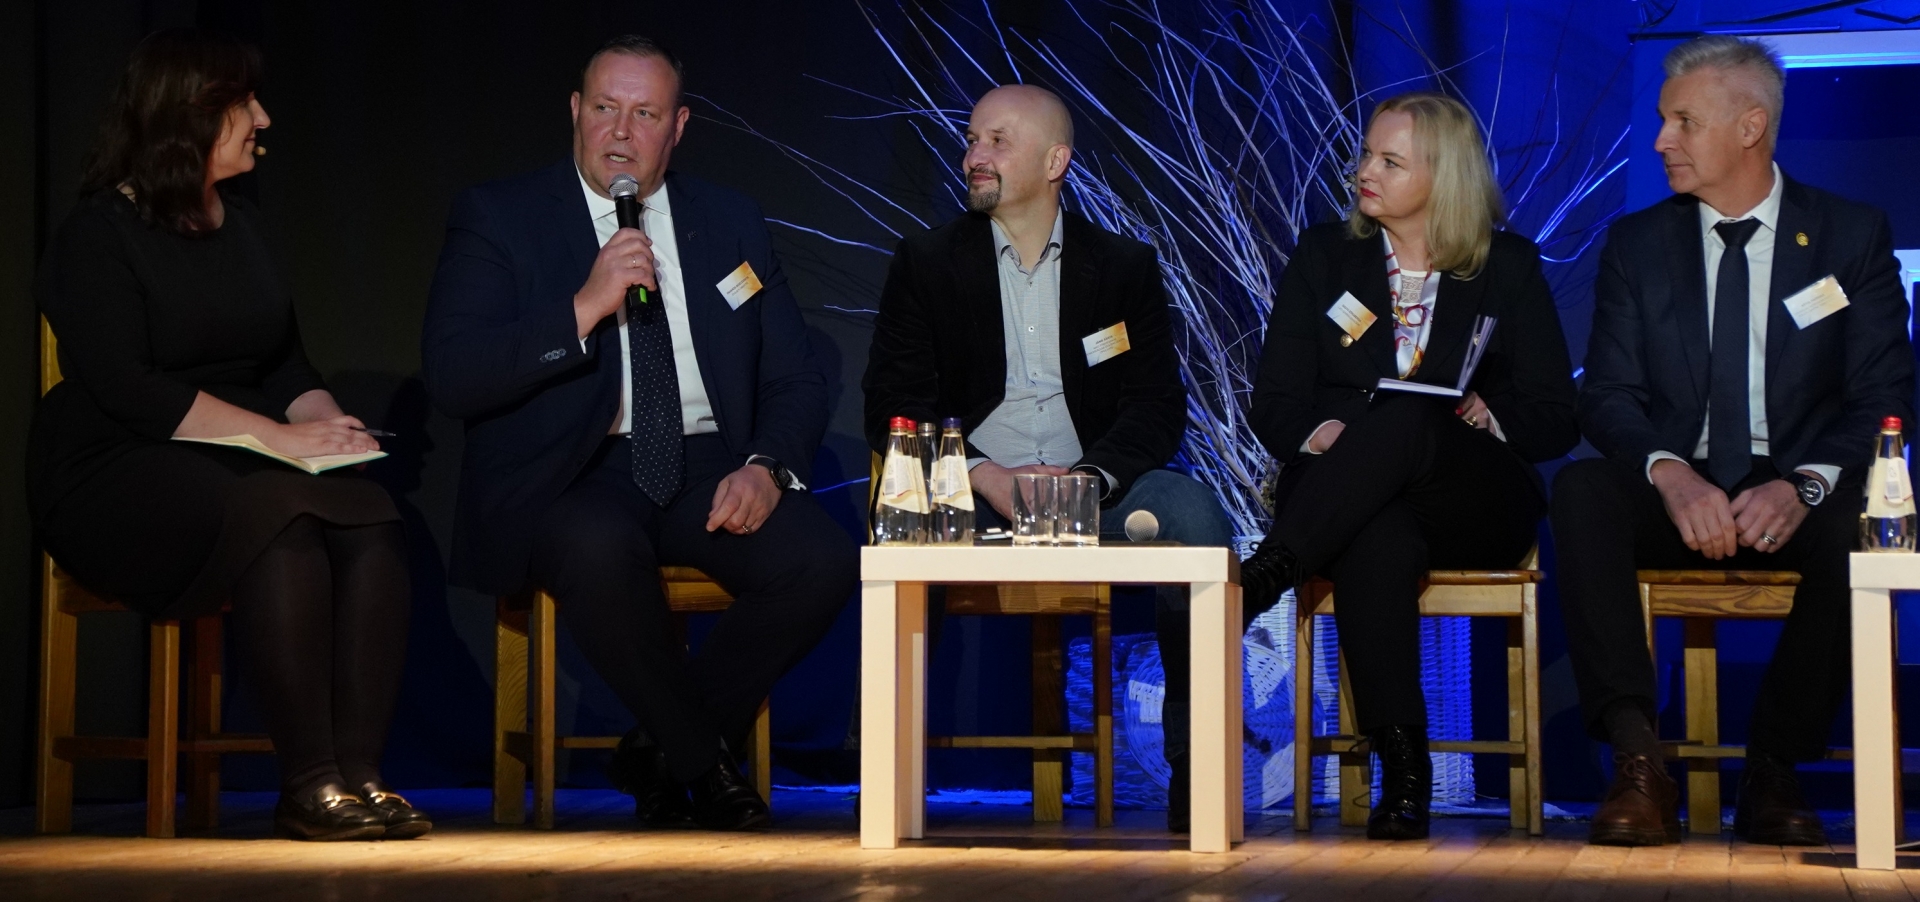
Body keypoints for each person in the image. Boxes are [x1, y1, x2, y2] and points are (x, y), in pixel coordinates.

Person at [422, 35, 856, 832]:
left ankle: (657, 749)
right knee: (596, 547)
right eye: (605, 108)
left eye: (646, 114)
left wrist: (766, 467)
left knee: (822, 561)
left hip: (706, 463)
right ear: (575, 111)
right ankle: (702, 764)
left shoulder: (727, 220)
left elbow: (794, 375)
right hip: (570, 471)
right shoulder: (501, 216)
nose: (621, 132)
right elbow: (454, 373)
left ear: (678, 127)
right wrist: (584, 307)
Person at [28, 29, 428, 841]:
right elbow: (128, 387)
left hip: (240, 453)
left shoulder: (243, 224)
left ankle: (361, 774)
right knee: (279, 514)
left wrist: (326, 425)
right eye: (244, 102)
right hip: (117, 461)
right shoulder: (97, 234)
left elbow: (283, 363)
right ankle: (309, 784)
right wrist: (275, 440)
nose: (263, 118)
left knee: (371, 512)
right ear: (190, 116)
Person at [1552, 36, 1914, 848]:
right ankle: (1638, 761)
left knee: (1859, 525)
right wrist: (1672, 475)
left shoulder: (1849, 235)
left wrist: (1805, 484)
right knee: (1582, 491)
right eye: (1662, 120)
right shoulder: (1638, 244)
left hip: (1795, 484)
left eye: (1683, 121)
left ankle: (1775, 767)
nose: (1661, 140)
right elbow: (1607, 396)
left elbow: (1885, 396)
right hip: (1679, 483)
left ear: (1750, 127)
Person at [862, 84, 1237, 833]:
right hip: (972, 488)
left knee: (1194, 514)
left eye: (997, 142)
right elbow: (892, 404)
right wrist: (984, 475)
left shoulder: (1123, 266)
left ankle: (1196, 770)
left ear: (1055, 161)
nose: (974, 156)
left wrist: (1087, 482)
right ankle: (882, 773)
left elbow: (1155, 406)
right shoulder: (927, 261)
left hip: (1093, 488)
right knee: (898, 520)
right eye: (972, 140)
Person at [1237, 92, 1579, 840]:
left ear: (1443, 177)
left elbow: (1558, 414)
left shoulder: (1508, 266)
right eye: (1367, 154)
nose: (1365, 170)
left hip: (1471, 497)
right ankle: (1405, 770)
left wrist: (1494, 417)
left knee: (1411, 413)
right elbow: (1275, 403)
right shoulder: (1324, 256)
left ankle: (1270, 570)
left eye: (1389, 161)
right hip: (1346, 494)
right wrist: (1327, 434)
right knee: (1378, 535)